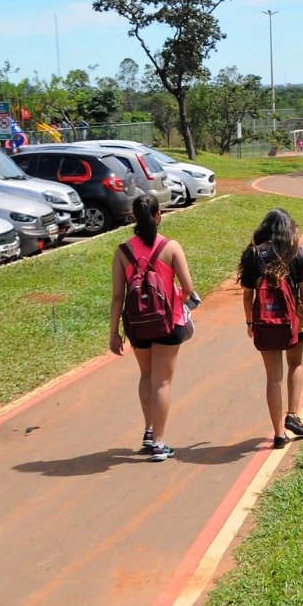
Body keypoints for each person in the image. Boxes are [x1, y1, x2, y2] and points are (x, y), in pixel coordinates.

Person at [109, 194, 197, 461]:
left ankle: (149, 430)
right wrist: (177, 302)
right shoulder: (170, 248)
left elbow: (117, 297)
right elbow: (188, 288)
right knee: (163, 381)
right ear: (159, 216)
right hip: (168, 323)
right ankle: (159, 443)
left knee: (146, 376)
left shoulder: (123, 251)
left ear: (134, 217)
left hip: (137, 325)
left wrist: (114, 333)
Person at [239, 208, 303, 450]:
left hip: (265, 323)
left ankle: (277, 434)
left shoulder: (253, 255)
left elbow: (247, 294)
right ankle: (293, 414)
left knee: (273, 378)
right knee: (295, 364)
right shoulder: (298, 254)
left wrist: (250, 322)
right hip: (294, 322)